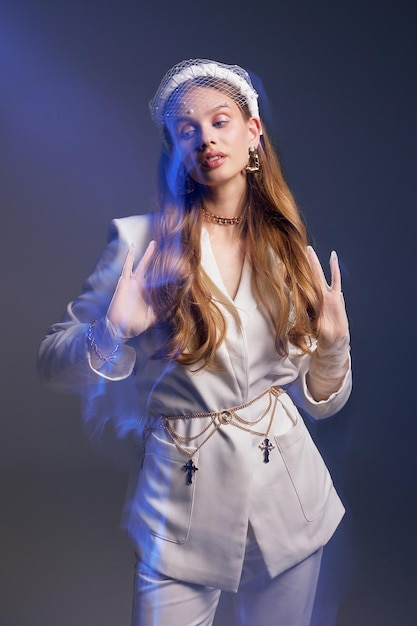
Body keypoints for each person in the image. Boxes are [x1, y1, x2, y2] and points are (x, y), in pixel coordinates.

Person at [38, 59, 352, 626]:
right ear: (177, 148)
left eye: (221, 121)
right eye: (188, 129)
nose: (206, 137)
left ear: (253, 133)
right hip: (179, 505)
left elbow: (321, 396)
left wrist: (332, 351)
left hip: (289, 497)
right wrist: (111, 332)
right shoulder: (141, 243)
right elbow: (51, 363)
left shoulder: (286, 246)